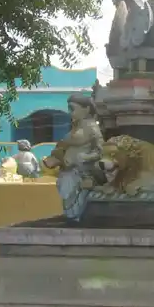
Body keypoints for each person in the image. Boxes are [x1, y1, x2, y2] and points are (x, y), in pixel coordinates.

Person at [42, 93, 103, 221]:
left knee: (75, 202)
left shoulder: (92, 128)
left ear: (86, 109)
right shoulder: (75, 127)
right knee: (67, 197)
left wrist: (85, 157)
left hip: (81, 172)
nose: (70, 112)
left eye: (72, 109)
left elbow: (101, 151)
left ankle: (76, 218)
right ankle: (72, 218)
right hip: (67, 170)